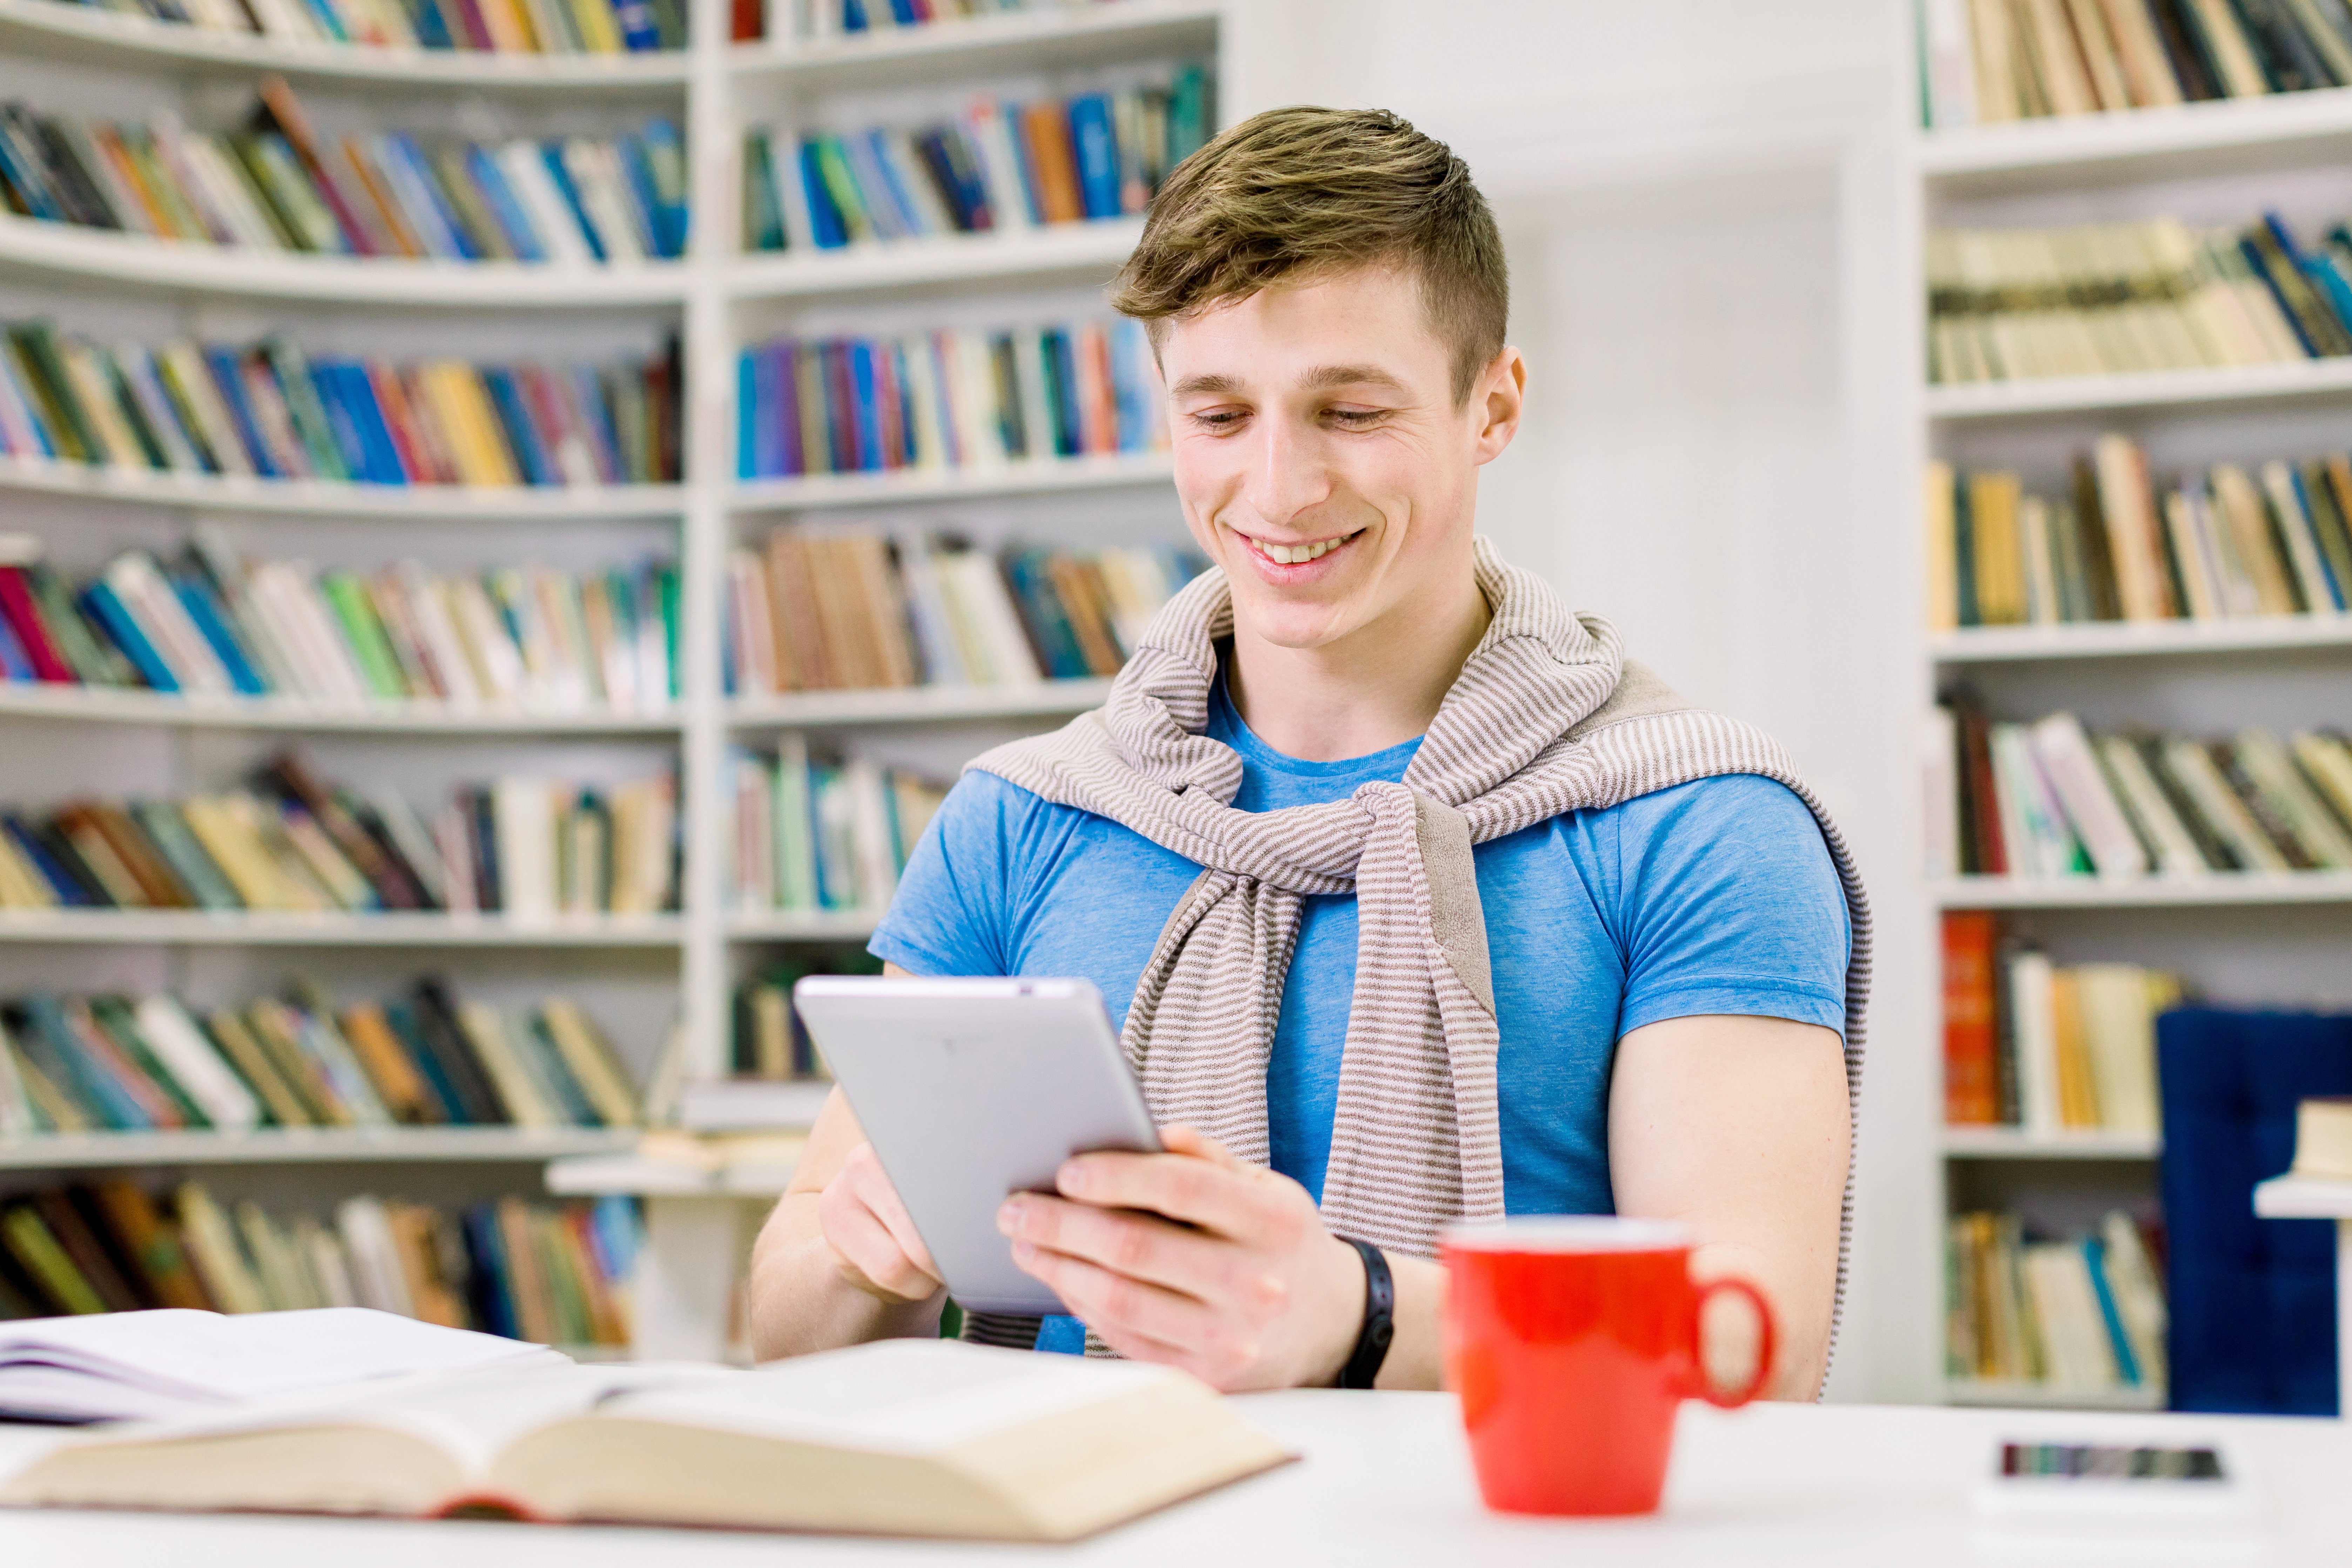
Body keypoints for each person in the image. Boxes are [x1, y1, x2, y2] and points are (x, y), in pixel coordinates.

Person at [748, 105, 1865, 1399]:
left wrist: (1363, 1316)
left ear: (1492, 404)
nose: (1278, 490)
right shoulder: (1021, 818)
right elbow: (783, 1335)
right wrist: (859, 1257)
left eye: (1349, 409)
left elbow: (1750, 1349)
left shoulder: (1699, 820)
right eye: (1219, 415)